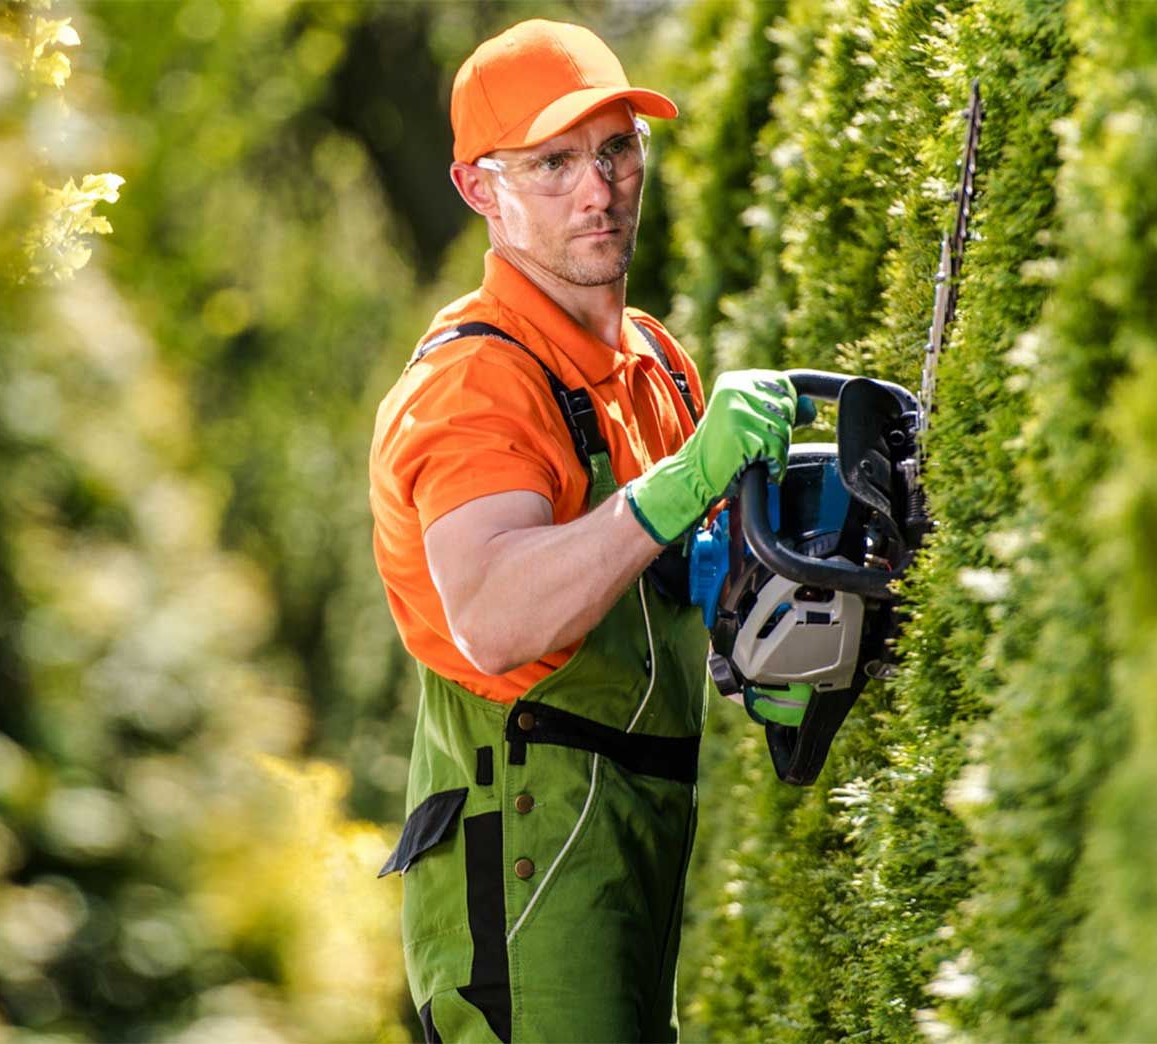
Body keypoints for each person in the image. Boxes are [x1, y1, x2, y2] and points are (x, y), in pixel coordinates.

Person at [368, 19, 797, 1043]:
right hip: (523, 852)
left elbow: (652, 578)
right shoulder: (474, 384)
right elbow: (495, 615)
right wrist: (685, 481)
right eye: (552, 163)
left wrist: (760, 613)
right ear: (480, 188)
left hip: (635, 830)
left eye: (614, 149)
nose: (596, 189)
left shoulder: (650, 358)